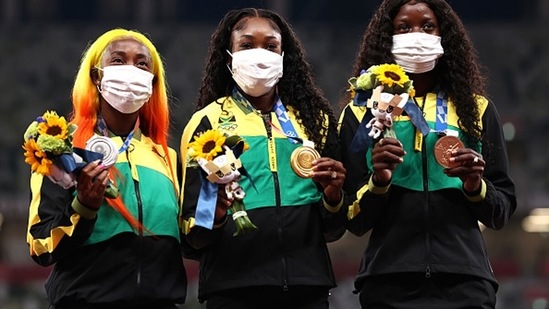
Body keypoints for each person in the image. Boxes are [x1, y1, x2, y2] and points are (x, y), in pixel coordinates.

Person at [338, 1, 517, 308]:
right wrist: (378, 182)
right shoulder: (361, 114)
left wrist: (476, 186)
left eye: (427, 26)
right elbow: (353, 220)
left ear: (443, 35)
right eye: (404, 28)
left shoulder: (476, 110)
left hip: (465, 282)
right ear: (388, 38)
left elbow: (501, 211)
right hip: (388, 283)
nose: (416, 35)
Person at [179, 8, 347, 309]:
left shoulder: (314, 121)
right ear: (228, 55)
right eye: (246, 45)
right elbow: (193, 235)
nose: (260, 54)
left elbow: (333, 228)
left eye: (270, 46)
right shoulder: (207, 123)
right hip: (234, 289)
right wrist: (214, 214)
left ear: (284, 55)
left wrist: (333, 196)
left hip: (306, 287)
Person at [26, 28, 187, 308]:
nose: (131, 70)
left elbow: (191, 241)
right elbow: (41, 245)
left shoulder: (167, 157)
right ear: (96, 77)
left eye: (141, 64)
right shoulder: (62, 148)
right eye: (118, 60)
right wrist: (83, 207)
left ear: (152, 81)